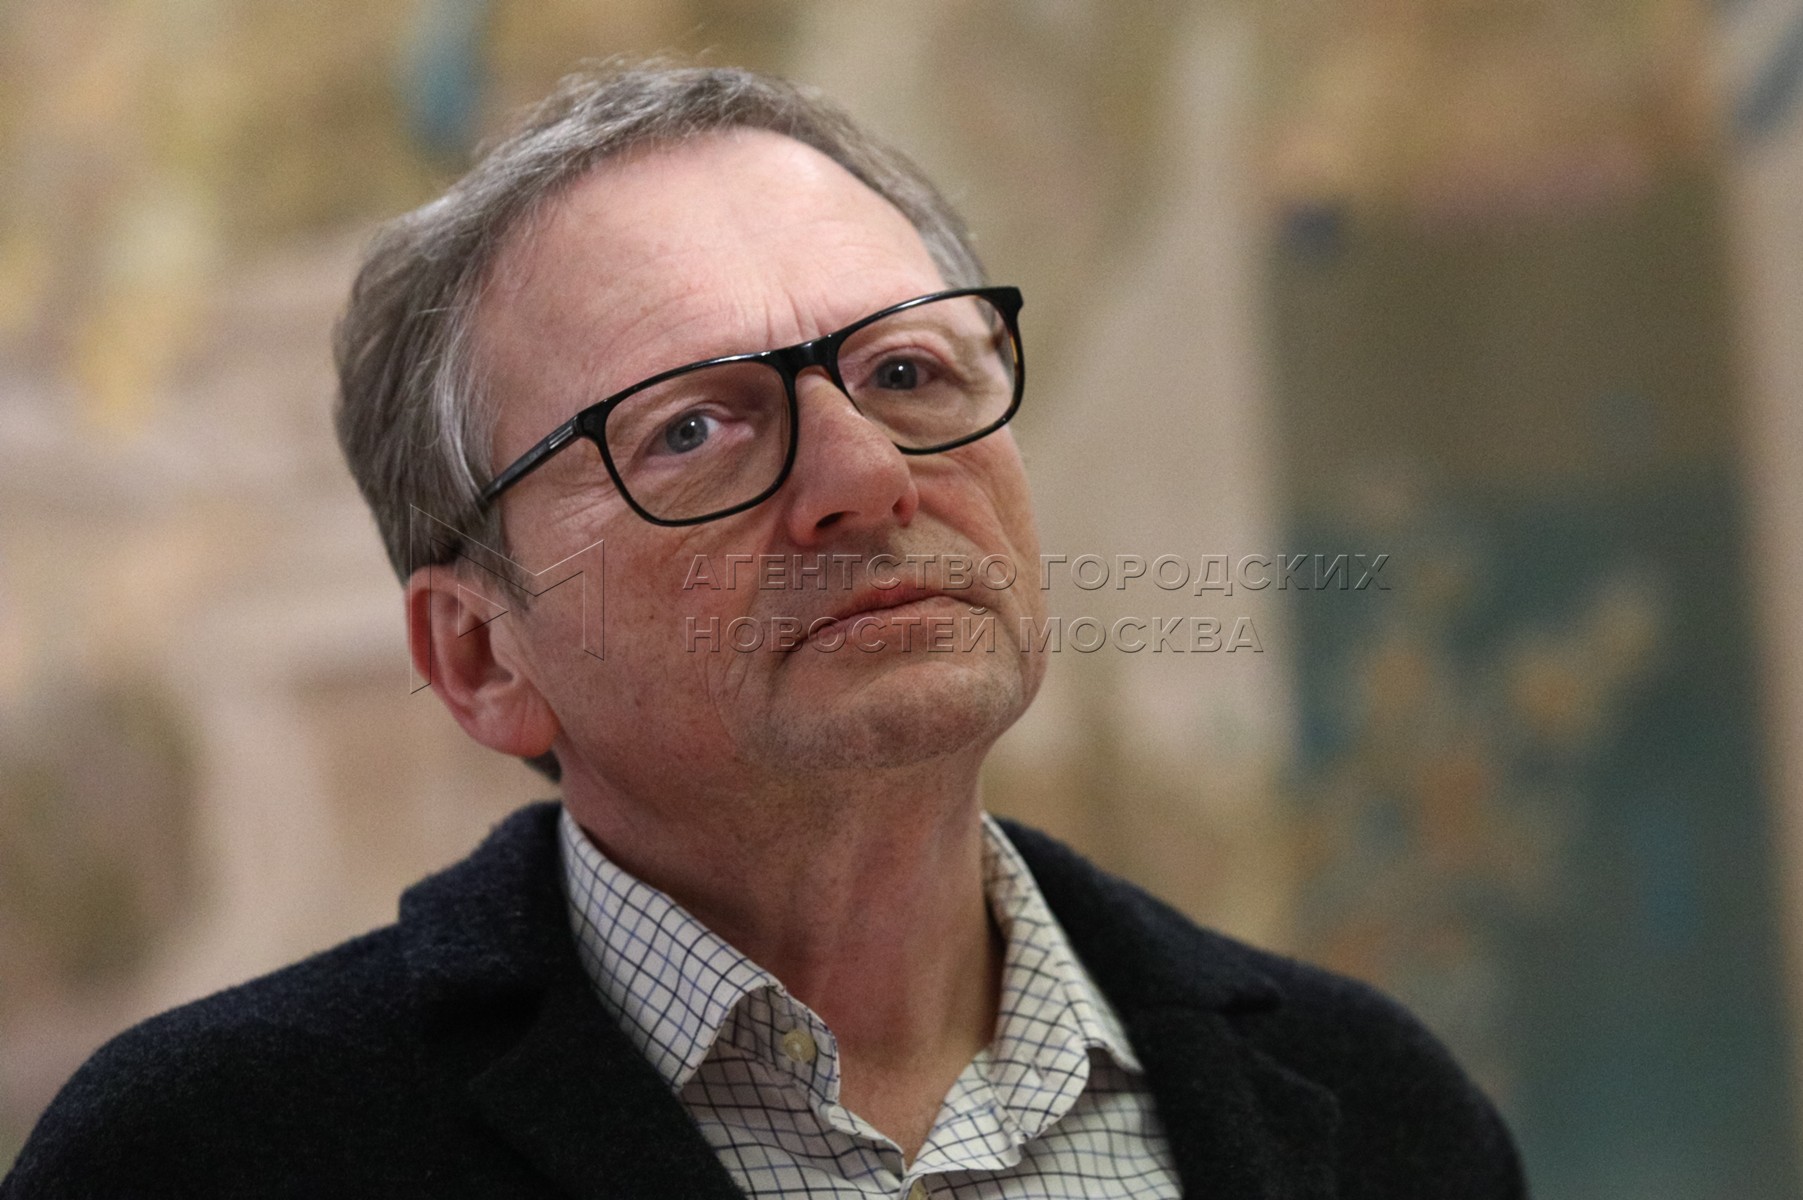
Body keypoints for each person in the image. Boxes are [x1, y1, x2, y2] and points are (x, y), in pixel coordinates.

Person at [3, 63, 1525, 1198]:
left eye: (910, 374)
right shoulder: (202, 1156)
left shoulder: (1374, 1104)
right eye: (690, 429)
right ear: (482, 655)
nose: (865, 478)